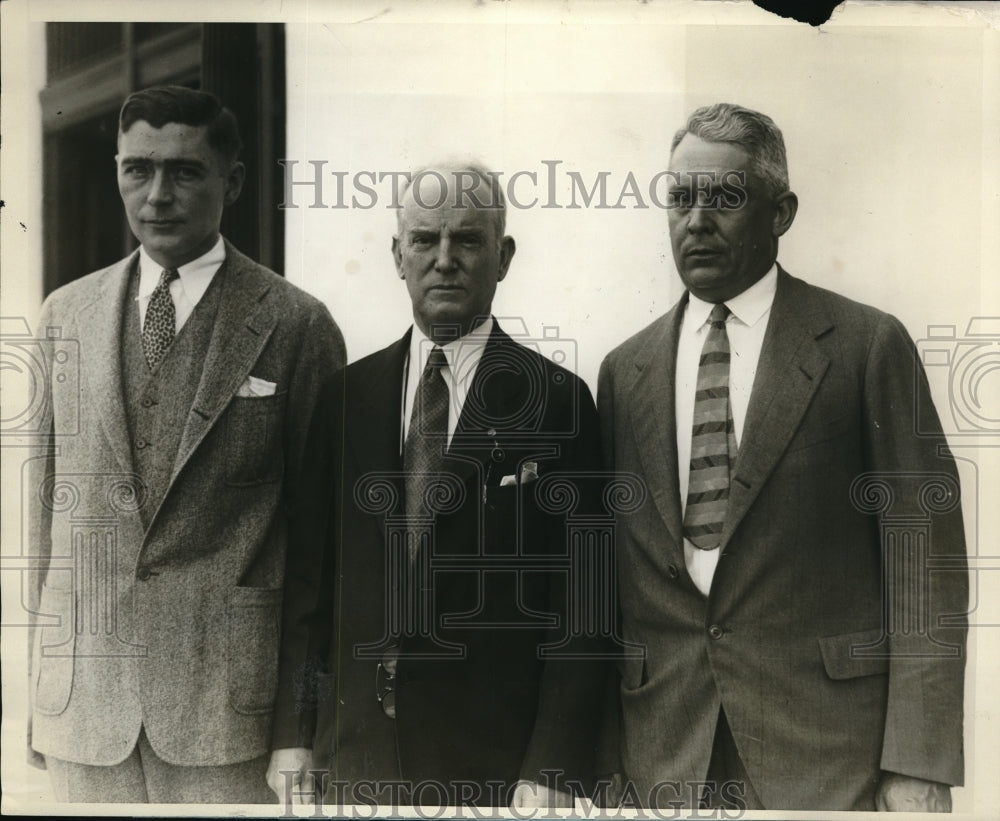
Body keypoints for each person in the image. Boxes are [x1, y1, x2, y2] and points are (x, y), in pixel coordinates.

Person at [597, 103, 968, 812]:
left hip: (832, 758)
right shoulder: (625, 371)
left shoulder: (864, 346)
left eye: (725, 198)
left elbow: (927, 568)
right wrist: (606, 756)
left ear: (781, 211)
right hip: (668, 759)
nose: (696, 220)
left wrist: (918, 761)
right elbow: (616, 588)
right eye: (680, 198)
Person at [26, 85, 345, 803]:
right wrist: (43, 699)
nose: (158, 194)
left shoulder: (298, 326)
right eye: (137, 169)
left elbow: (318, 550)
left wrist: (299, 723)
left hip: (230, 715)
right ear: (116, 171)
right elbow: (45, 522)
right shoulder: (62, 316)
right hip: (86, 713)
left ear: (231, 181)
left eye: (185, 171)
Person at [268, 164, 609, 809]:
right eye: (424, 240)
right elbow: (310, 587)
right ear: (398, 256)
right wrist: (294, 733)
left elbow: (584, 605)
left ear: (503, 257)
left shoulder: (559, 403)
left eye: (468, 241)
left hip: (497, 764)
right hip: (358, 752)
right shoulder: (347, 398)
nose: (444, 260)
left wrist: (553, 766)